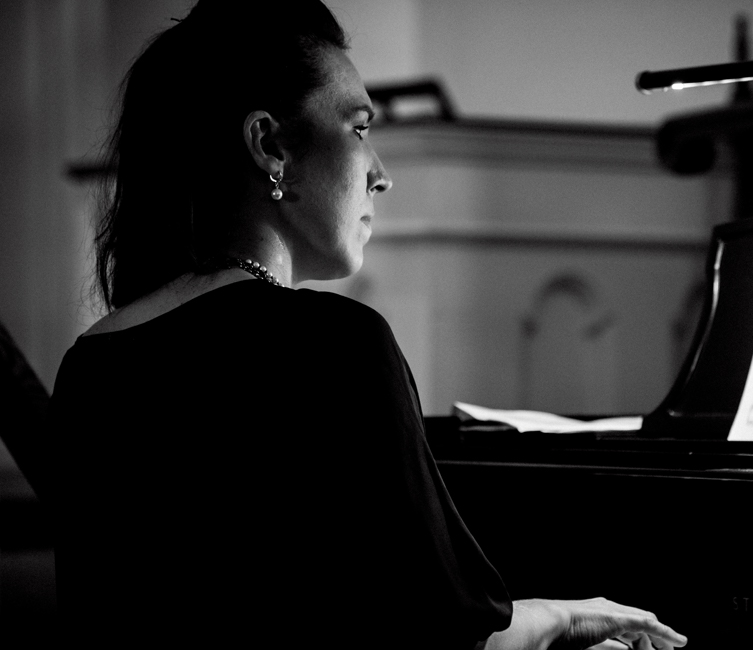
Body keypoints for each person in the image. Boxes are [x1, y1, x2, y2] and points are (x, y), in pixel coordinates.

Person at [49, 2, 688, 648]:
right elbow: (449, 634)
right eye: (358, 130)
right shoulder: (336, 345)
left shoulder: (89, 364)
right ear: (270, 145)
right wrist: (562, 616)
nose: (380, 176)